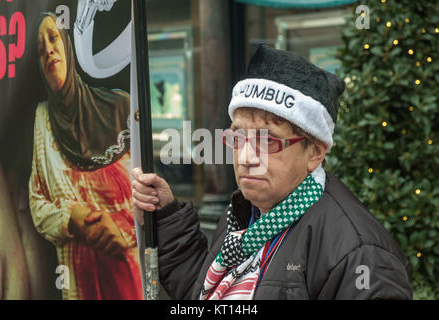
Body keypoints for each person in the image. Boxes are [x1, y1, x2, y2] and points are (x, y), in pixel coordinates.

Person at [132, 44, 413, 300]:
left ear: (315, 152)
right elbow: (203, 290)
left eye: (268, 141)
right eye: (238, 138)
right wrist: (166, 213)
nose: (246, 158)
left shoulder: (360, 254)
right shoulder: (247, 212)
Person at [29, 13, 142, 300]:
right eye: (41, 49)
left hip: (128, 275)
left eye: (53, 39)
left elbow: (152, 194)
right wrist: (71, 219)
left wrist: (120, 228)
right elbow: (37, 204)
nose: (49, 51)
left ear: (68, 46)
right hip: (79, 285)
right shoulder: (43, 119)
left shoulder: (119, 107)